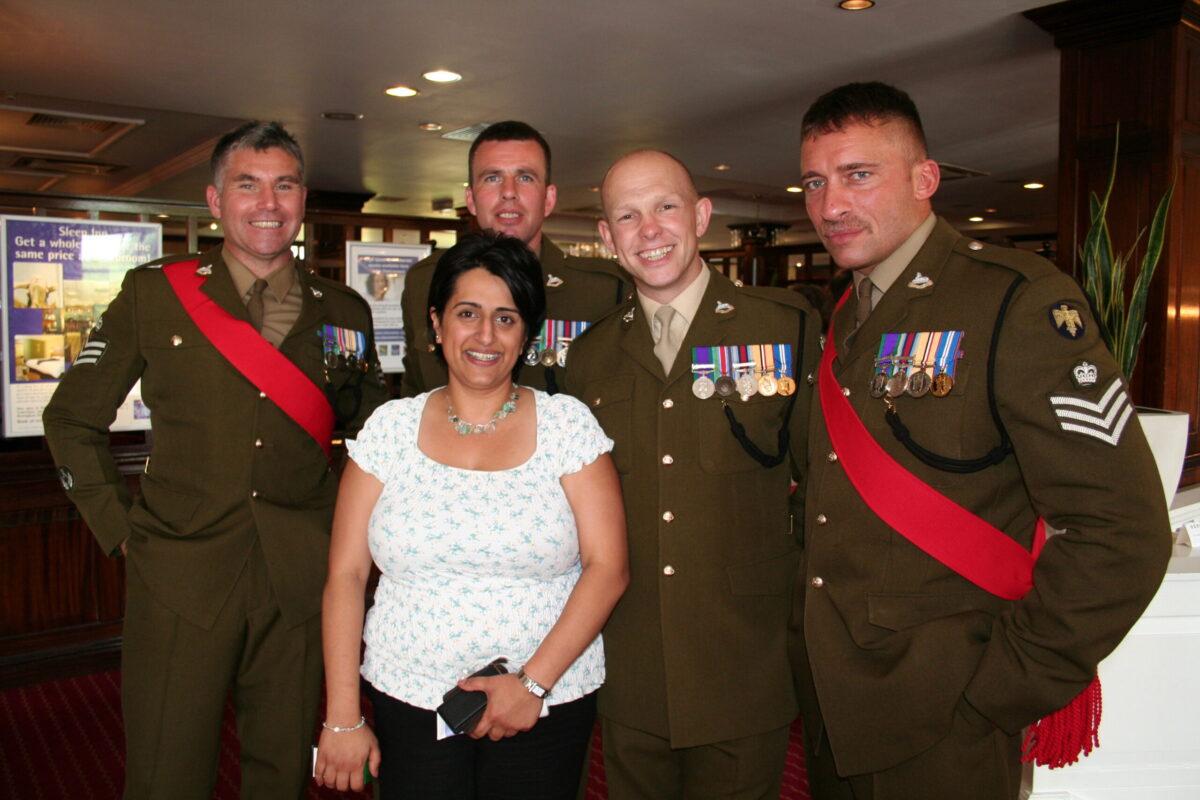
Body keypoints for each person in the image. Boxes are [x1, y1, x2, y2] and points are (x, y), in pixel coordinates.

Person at [790, 82, 1173, 799]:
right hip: (837, 696)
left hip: (944, 705)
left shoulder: (1016, 298)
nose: (830, 205)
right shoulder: (848, 312)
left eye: (858, 175)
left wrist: (1000, 686)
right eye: (815, 181)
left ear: (925, 178)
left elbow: (1123, 531)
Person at [42, 121, 387, 799]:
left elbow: (372, 440)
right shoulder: (155, 294)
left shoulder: (343, 312)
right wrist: (122, 531)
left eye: (284, 185)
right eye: (248, 184)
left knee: (281, 770)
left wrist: (344, 539)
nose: (268, 202)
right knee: (166, 769)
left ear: (302, 197)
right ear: (214, 199)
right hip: (179, 575)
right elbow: (71, 419)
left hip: (296, 580)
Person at [315, 231, 628, 798]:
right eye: (468, 313)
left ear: (526, 334)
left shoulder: (567, 426)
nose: (486, 335)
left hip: (546, 700)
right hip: (409, 696)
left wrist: (530, 685)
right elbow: (346, 576)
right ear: (437, 325)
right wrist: (343, 715)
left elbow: (608, 567)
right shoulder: (389, 430)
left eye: (506, 318)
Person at [563, 150, 822, 800]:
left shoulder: (782, 326)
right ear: (606, 238)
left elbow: (822, 490)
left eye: (665, 207)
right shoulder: (590, 357)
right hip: (631, 663)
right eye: (627, 215)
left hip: (745, 657)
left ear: (702, 216)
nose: (648, 230)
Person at [400, 120, 628, 396]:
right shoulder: (424, 282)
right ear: (471, 199)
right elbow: (415, 393)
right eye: (492, 177)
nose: (509, 192)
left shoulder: (604, 291)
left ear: (549, 198)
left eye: (525, 177)